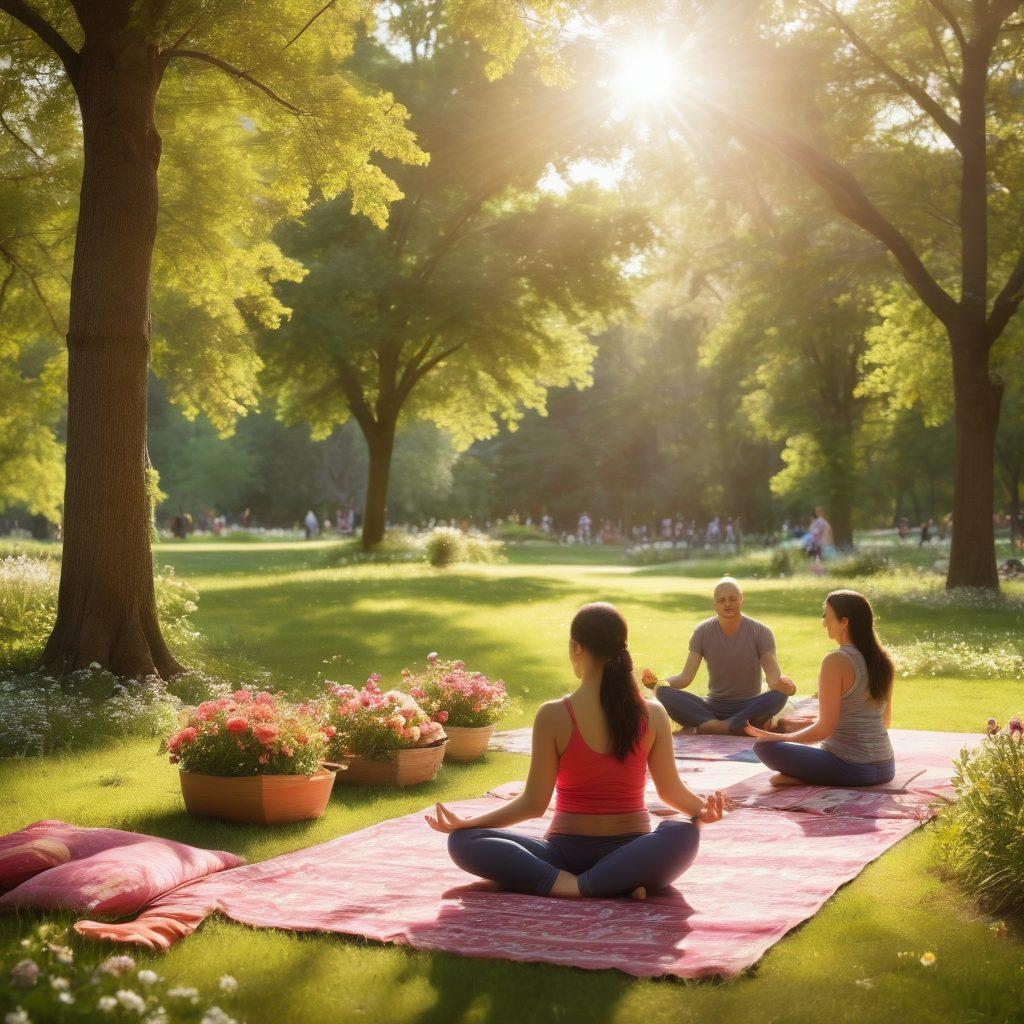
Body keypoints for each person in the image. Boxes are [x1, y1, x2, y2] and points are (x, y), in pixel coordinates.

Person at [426, 603, 725, 899]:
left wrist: (702, 811)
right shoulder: (651, 713)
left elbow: (533, 803)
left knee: (682, 832)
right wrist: (701, 811)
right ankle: (613, 883)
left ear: (576, 647)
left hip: (602, 855)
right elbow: (671, 791)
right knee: (464, 840)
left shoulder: (555, 715)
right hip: (609, 857)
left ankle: (569, 885)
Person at [744, 589, 895, 788]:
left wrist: (781, 737)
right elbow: (885, 721)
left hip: (852, 769)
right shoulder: (884, 661)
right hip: (886, 767)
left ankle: (804, 776)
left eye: (826, 615)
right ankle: (805, 775)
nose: (824, 622)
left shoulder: (836, 661)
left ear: (844, 622)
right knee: (796, 745)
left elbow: (825, 729)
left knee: (764, 746)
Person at [646, 577, 796, 736]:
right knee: (663, 692)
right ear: (715, 603)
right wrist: (658, 685)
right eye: (721, 600)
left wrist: (787, 688)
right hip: (712, 707)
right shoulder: (702, 631)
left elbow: (773, 680)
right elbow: (686, 677)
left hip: (748, 707)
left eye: (732, 599)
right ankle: (733, 726)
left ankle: (718, 726)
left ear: (741, 599)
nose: (727, 604)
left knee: (779, 696)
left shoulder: (761, 632)